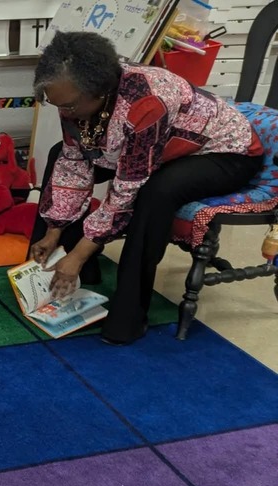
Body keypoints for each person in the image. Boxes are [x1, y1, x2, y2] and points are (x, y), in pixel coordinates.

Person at [30, 32, 263, 345]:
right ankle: (56, 273)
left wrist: (81, 253)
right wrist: (54, 229)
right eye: (55, 103)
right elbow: (74, 163)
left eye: (69, 105)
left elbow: (127, 188)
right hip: (160, 150)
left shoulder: (147, 102)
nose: (63, 111)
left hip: (224, 154)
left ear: (97, 91)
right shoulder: (72, 98)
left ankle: (128, 316)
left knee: (155, 192)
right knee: (61, 153)